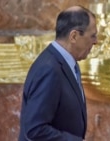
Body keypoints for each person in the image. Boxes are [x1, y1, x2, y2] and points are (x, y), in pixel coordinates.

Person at [18, 5, 97, 141]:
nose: (96, 42)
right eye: (93, 36)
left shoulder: (63, 63)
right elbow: (35, 129)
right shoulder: (49, 69)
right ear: (74, 36)